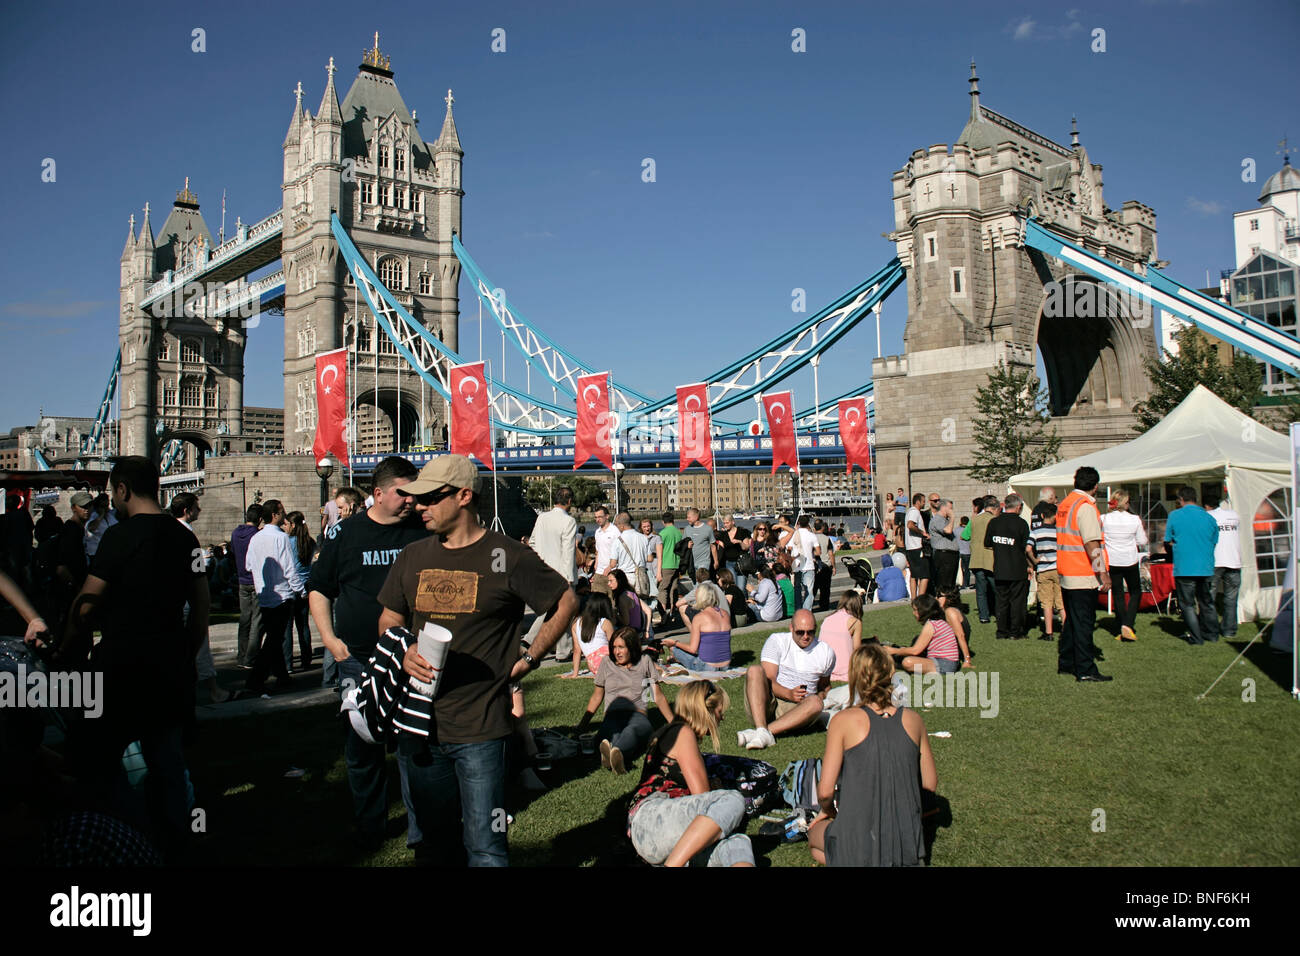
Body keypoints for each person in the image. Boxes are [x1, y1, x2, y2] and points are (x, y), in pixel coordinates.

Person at [378, 456, 579, 866]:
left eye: (432, 498)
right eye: (418, 499)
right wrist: (403, 648)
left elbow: (566, 599)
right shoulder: (413, 556)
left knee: (486, 846)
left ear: (465, 496)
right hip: (418, 726)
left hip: (481, 731)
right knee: (433, 845)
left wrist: (532, 654)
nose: (420, 506)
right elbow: (389, 616)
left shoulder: (506, 556)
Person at [41, 457, 206, 859]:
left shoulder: (118, 538)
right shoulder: (187, 538)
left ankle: (132, 834)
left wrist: (66, 647)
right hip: (169, 666)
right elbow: (200, 606)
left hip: (120, 666)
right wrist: (186, 650)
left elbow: (85, 603)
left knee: (95, 759)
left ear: (123, 490)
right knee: (167, 761)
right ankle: (176, 843)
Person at [309, 456, 429, 851]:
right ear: (377, 494)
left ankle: (420, 829)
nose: (411, 499)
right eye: (402, 492)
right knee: (361, 746)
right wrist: (328, 638)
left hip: (413, 655)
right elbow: (320, 588)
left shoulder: (422, 532)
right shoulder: (344, 533)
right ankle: (370, 827)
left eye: (414, 491)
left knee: (414, 744)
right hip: (358, 657)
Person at [807, 644, 935, 867]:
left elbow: (825, 791)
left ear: (856, 677)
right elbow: (930, 784)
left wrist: (827, 813)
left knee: (814, 836)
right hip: (906, 847)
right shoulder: (914, 721)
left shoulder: (843, 721)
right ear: (890, 675)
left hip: (858, 843)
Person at [625, 680, 754, 867]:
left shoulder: (669, 732)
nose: (722, 717)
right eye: (719, 711)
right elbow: (702, 795)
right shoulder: (682, 732)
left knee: (737, 843)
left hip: (659, 834)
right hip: (651, 819)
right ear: (706, 710)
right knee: (733, 800)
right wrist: (715, 789)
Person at [577, 627, 674, 772]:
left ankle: (615, 752)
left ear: (632, 647)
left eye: (621, 647)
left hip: (638, 716)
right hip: (612, 715)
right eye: (614, 647)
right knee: (610, 731)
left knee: (631, 731)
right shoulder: (606, 663)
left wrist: (674, 723)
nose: (617, 652)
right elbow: (597, 696)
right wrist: (582, 725)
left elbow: (658, 696)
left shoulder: (644, 661)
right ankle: (614, 753)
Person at [738, 609, 835, 749]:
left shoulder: (825, 651)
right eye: (800, 632)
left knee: (816, 703)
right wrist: (789, 693)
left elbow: (824, 686)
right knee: (754, 670)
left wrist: (821, 697)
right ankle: (761, 728)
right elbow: (769, 678)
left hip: (800, 708)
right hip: (769, 702)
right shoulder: (777, 641)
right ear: (791, 628)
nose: (806, 636)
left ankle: (762, 732)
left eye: (811, 632)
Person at [242, 500, 305, 695]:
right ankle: (256, 678)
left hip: (264, 594)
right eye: (282, 511)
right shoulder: (281, 538)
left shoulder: (256, 538)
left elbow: (249, 565)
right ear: (276, 515)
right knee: (274, 639)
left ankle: (281, 675)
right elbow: (289, 568)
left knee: (273, 636)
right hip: (282, 595)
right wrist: (300, 590)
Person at [1057, 467, 1113, 681]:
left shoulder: (1066, 503)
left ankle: (1067, 662)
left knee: (1072, 622)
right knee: (1084, 624)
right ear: (1096, 485)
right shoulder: (1086, 506)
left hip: (1067, 570)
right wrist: (1103, 572)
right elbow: (1092, 543)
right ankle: (1086, 669)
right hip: (1082, 572)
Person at [1164, 486, 1220, 645]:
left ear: (1181, 499)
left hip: (1184, 567)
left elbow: (1167, 539)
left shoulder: (1175, 515)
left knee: (1187, 604)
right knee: (1207, 602)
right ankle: (1212, 634)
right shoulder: (1209, 517)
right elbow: (1214, 540)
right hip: (1206, 566)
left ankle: (1196, 637)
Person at [527, 485, 577, 660]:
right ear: (569, 501)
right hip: (560, 573)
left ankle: (558, 648)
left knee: (552, 611)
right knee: (564, 611)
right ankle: (561, 650)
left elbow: (532, 543)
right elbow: (568, 551)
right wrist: (568, 578)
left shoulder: (542, 518)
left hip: (542, 572)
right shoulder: (569, 521)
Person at [985, 494, 1034, 641]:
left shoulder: (994, 523)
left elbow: (987, 543)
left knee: (1001, 602)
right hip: (1017, 568)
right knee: (1017, 602)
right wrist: (1030, 566)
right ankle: (1015, 632)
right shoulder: (1021, 524)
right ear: (1018, 507)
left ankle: (1001, 631)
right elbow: (1026, 547)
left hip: (1000, 567)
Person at [1100, 491, 1146, 643]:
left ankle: (1122, 622)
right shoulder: (1134, 519)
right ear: (1126, 503)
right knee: (1135, 591)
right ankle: (1127, 623)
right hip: (1129, 559)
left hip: (1112, 560)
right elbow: (1142, 541)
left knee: (1118, 593)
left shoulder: (1104, 519)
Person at [886, 594, 971, 674]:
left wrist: (893, 651)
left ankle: (891, 663)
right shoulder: (937, 621)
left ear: (923, 611)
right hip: (946, 662)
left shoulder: (931, 625)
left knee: (908, 662)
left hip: (945, 665)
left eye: (915, 610)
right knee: (907, 654)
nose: (913, 613)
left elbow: (915, 651)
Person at [662, 586, 731, 671]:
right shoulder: (725, 614)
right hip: (725, 665)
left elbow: (692, 649)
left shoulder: (699, 617)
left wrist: (675, 643)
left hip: (707, 667)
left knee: (674, 649)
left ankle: (674, 657)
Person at [230, 505, 263, 668]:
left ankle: (241, 656)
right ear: (260, 519)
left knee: (244, 619)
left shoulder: (235, 533)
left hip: (242, 580)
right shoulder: (257, 535)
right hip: (255, 580)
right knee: (256, 621)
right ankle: (251, 657)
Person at [1205, 493, 1241, 638]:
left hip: (1215, 561)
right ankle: (1229, 630)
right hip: (1234, 560)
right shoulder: (1234, 515)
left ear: (1207, 506)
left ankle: (1210, 628)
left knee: (1209, 598)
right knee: (1231, 599)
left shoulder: (1208, 517)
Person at [282, 511, 315, 671]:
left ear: (293, 525)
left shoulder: (287, 542)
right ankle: (306, 659)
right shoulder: (310, 542)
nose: (284, 527)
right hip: (306, 585)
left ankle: (288, 663)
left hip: (290, 585)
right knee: (303, 625)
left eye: (287, 524)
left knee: (287, 627)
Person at [1030, 500, 1065, 642]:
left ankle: (1048, 632)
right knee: (1061, 602)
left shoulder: (1036, 531)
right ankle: (1065, 630)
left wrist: (1034, 561)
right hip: (1058, 568)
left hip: (1044, 569)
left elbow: (1028, 548)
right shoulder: (1059, 531)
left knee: (1046, 602)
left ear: (1043, 515)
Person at [564, 592, 614, 678]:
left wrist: (575, 674)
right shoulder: (605, 622)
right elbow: (615, 644)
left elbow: (577, 651)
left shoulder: (576, 624)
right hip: (607, 660)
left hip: (593, 665)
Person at [775, 513, 818, 611]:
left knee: (798, 587)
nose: (780, 524)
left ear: (787, 522)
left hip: (795, 564)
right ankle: (803, 609)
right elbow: (817, 550)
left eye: (782, 522)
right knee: (804, 588)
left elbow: (789, 547)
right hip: (798, 564)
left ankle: (799, 608)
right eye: (779, 522)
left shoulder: (794, 533)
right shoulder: (808, 535)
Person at [821, 590, 863, 683]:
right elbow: (857, 650)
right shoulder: (855, 622)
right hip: (845, 670)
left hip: (825, 668)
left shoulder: (827, 619)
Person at [968, 495, 999, 624]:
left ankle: (983, 616)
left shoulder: (974, 519)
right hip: (989, 558)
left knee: (980, 590)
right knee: (996, 589)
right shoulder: (993, 520)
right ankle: (999, 613)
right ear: (994, 508)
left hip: (976, 558)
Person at [607, 569, 653, 644]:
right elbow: (648, 610)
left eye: (611, 581)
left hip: (630, 633)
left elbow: (626, 622)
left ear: (619, 580)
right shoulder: (631, 593)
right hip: (639, 630)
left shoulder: (622, 597)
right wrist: (646, 630)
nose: (608, 584)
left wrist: (614, 614)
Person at [613, 512, 650, 599]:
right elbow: (649, 558)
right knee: (641, 602)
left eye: (617, 525)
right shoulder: (643, 537)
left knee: (627, 604)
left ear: (622, 526)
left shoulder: (618, 541)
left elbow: (613, 563)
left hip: (625, 576)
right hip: (640, 576)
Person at [657, 511, 683, 627]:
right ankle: (673, 613)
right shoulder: (678, 533)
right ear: (673, 521)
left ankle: (663, 615)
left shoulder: (662, 533)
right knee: (673, 590)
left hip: (666, 564)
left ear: (663, 522)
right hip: (676, 564)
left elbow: (659, 550)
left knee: (663, 590)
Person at [928, 499, 959, 592]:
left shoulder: (945, 520)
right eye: (950, 508)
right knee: (944, 586)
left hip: (951, 556)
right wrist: (952, 517)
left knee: (950, 585)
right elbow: (948, 530)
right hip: (944, 555)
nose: (952, 511)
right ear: (944, 508)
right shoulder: (937, 519)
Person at [903, 493, 930, 600]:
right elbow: (910, 525)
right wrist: (922, 533)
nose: (924, 503)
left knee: (914, 575)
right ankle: (921, 599)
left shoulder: (909, 511)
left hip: (910, 548)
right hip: (917, 547)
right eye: (923, 501)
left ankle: (914, 599)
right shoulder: (914, 512)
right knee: (925, 575)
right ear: (918, 501)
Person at [936, 587, 973, 664]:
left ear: (949, 599)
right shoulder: (949, 611)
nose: (936, 598)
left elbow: (961, 636)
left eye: (939, 596)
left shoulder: (951, 612)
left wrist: (967, 660)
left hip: (950, 654)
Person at [590, 506, 620, 595]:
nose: (597, 520)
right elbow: (598, 551)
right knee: (597, 600)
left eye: (600, 517)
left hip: (612, 571)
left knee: (612, 602)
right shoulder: (597, 532)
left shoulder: (615, 531)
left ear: (607, 516)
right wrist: (595, 565)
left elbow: (619, 552)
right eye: (595, 517)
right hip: (599, 572)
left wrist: (610, 567)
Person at [682, 507, 716, 581]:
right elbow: (683, 544)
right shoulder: (687, 529)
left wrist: (716, 562)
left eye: (689, 517)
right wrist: (687, 545)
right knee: (695, 587)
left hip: (704, 562)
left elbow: (713, 546)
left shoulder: (708, 529)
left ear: (696, 517)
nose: (687, 519)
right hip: (691, 563)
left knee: (702, 585)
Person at [83, 493, 117, 563]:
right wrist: (101, 516)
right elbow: (91, 527)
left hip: (107, 552)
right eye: (103, 506)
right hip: (95, 553)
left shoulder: (110, 516)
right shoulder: (93, 516)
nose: (106, 508)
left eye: (107, 505)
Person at [641, 517, 662, 621]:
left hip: (653, 565)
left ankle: (654, 613)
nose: (646, 528)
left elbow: (659, 555)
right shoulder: (639, 538)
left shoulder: (656, 538)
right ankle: (646, 615)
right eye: (644, 527)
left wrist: (659, 572)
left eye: (648, 526)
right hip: (643, 566)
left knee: (653, 593)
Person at [812, 519, 835, 611]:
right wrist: (833, 566)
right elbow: (830, 554)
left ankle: (809, 606)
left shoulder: (811, 537)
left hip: (814, 566)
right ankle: (824, 606)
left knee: (813, 588)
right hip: (826, 565)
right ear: (822, 528)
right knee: (825, 589)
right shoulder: (827, 538)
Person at [957, 516, 972, 588]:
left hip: (959, 551)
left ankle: (961, 583)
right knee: (967, 569)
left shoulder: (956, 530)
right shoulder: (970, 530)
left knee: (961, 569)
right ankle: (967, 583)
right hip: (968, 552)